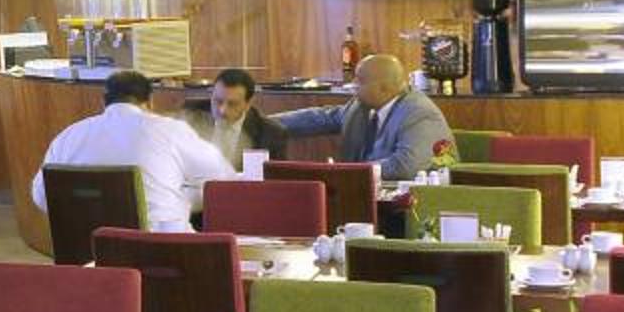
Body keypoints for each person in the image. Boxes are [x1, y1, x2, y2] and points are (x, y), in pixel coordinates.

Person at [29, 70, 236, 233]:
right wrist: (180, 198)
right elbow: (224, 180)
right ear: (150, 102)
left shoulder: (69, 136)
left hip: (89, 252)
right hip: (161, 252)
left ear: (104, 102)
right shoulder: (170, 130)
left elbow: (41, 196)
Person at [272, 52, 454, 181]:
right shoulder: (363, 106)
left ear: (384, 88)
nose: (353, 85)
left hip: (415, 204)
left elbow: (404, 167)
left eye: (360, 81)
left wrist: (347, 172)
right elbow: (322, 118)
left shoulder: (419, 113)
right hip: (369, 192)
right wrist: (265, 122)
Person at [198, 67, 290, 172]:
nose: (222, 110)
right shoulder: (191, 116)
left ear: (248, 104)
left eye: (232, 104)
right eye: (218, 101)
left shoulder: (271, 134)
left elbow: (277, 178)